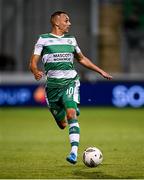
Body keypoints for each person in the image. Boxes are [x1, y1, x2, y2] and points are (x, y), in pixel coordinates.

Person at [29, 11, 112, 165]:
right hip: (52, 87)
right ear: (56, 22)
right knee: (62, 124)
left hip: (70, 82)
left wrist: (100, 70)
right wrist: (35, 71)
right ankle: (70, 107)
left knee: (71, 114)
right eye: (66, 20)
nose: (69, 23)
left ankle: (73, 152)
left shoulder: (71, 40)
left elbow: (81, 58)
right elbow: (33, 62)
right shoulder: (44, 39)